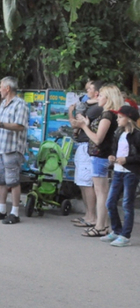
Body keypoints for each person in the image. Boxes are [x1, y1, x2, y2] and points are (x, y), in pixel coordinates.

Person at [72, 84, 123, 237]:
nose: (97, 98)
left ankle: (101, 225)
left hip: (100, 155)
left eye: (101, 95)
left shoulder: (107, 115)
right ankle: (103, 224)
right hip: (101, 155)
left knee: (101, 193)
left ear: (108, 98)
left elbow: (98, 139)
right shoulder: (111, 114)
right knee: (102, 192)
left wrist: (83, 127)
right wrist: (88, 125)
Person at [0, 77, 29, 225]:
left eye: (0, 86)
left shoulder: (20, 104)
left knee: (13, 181)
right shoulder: (3, 104)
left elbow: (20, 126)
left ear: (7, 88)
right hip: (0, 147)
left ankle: (15, 212)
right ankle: (2, 209)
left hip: (12, 148)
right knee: (0, 180)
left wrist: (0, 124)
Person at [102, 105, 140, 247]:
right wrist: (112, 156)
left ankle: (125, 235)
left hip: (131, 173)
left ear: (128, 119)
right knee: (110, 202)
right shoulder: (118, 133)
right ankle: (117, 231)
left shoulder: (137, 135)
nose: (117, 120)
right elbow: (114, 149)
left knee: (127, 204)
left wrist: (127, 160)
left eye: (120, 117)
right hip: (118, 170)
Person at [68, 80, 103, 229]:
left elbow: (76, 123)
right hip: (82, 145)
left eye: (90, 89)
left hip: (88, 147)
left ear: (97, 92)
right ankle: (88, 214)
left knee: (87, 182)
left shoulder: (95, 108)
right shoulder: (88, 105)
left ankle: (92, 216)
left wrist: (70, 112)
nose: (86, 91)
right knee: (82, 182)